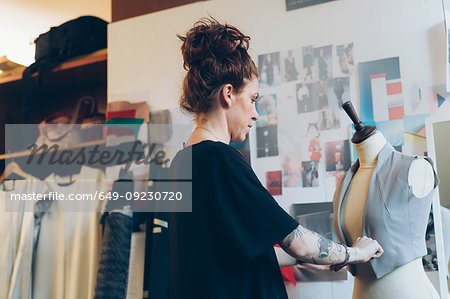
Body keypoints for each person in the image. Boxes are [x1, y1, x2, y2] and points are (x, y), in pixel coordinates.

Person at [169, 17, 383, 299]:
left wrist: (316, 256)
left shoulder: (181, 163)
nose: (256, 113)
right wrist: (357, 252)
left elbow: (230, 258)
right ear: (228, 94)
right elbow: (300, 244)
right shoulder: (222, 160)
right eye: (254, 99)